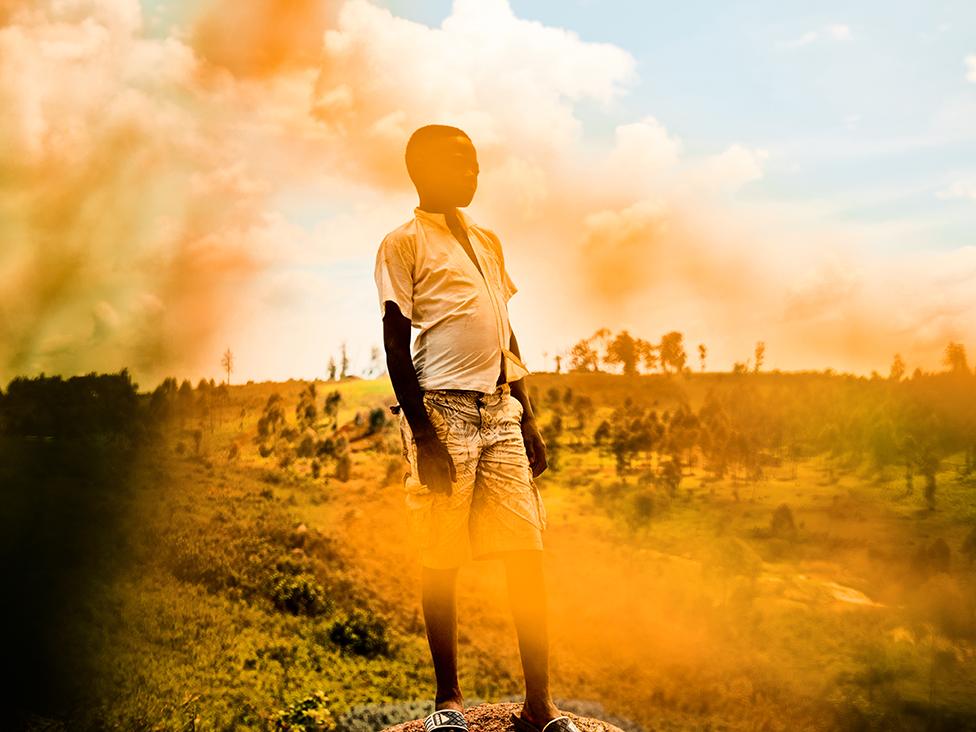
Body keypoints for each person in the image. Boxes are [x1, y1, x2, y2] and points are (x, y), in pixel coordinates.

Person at [374, 125, 581, 732]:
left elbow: (504, 328)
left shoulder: (488, 241)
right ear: (425, 170)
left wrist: (528, 413)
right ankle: (448, 705)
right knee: (442, 559)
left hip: (500, 412)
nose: (476, 172)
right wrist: (425, 436)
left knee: (528, 554)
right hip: (442, 411)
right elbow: (394, 342)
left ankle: (539, 706)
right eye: (463, 163)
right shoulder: (403, 243)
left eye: (476, 162)